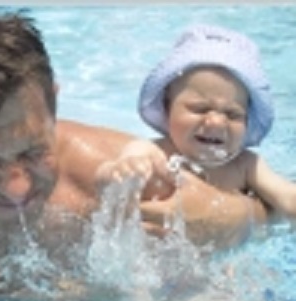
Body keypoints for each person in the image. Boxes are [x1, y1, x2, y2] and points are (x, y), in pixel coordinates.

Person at [0, 11, 266, 301]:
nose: (16, 187)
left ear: (53, 104)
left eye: (33, 151)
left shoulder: (113, 172)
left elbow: (263, 213)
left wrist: (235, 219)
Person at [124, 24, 296, 222]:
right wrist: (120, 170)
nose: (216, 122)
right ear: (167, 107)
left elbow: (287, 197)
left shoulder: (246, 165)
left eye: (232, 114)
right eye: (200, 108)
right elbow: (109, 173)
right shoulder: (154, 152)